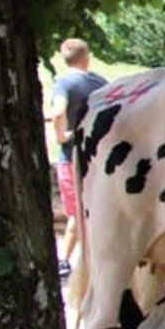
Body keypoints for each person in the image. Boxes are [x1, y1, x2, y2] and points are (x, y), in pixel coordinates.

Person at [49, 38, 107, 277]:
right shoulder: (100, 82)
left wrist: (62, 135)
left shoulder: (64, 83)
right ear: (87, 57)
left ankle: (64, 260)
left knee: (76, 212)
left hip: (71, 156)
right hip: (99, 155)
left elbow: (58, 112)